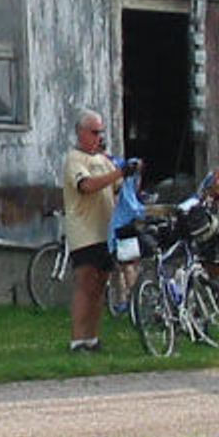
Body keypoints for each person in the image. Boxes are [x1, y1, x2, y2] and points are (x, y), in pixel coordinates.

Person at [63, 110, 134, 353]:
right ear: (81, 132)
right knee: (85, 284)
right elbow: (87, 186)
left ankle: (92, 338)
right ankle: (77, 339)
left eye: (101, 132)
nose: (98, 137)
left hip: (105, 231)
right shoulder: (75, 159)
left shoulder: (104, 160)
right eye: (94, 132)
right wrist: (118, 172)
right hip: (84, 232)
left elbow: (117, 188)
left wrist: (130, 174)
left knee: (99, 287)